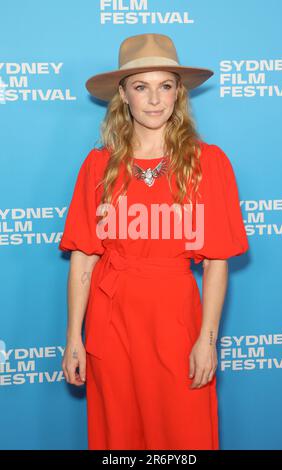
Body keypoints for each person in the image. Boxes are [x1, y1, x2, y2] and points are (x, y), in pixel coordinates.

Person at [58, 33, 249, 450]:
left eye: (165, 85)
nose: (154, 99)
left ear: (179, 92)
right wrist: (75, 336)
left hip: (177, 321)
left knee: (184, 435)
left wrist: (207, 338)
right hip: (111, 323)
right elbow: (84, 258)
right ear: (122, 95)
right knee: (119, 437)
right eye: (141, 87)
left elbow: (217, 261)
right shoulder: (98, 167)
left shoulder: (208, 163)